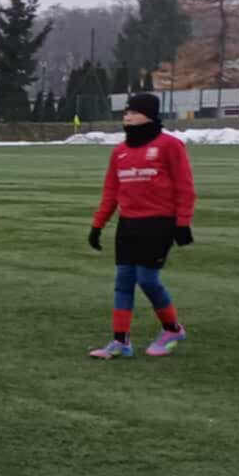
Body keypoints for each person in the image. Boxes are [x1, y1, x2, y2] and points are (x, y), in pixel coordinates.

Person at [88, 92, 194, 359]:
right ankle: (120, 341)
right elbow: (111, 191)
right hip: (128, 225)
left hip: (159, 223)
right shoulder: (120, 151)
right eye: (126, 112)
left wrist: (183, 223)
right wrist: (98, 225)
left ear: (149, 115)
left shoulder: (170, 145)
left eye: (134, 112)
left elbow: (184, 187)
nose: (128, 116)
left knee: (147, 279)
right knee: (123, 281)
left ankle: (172, 329)